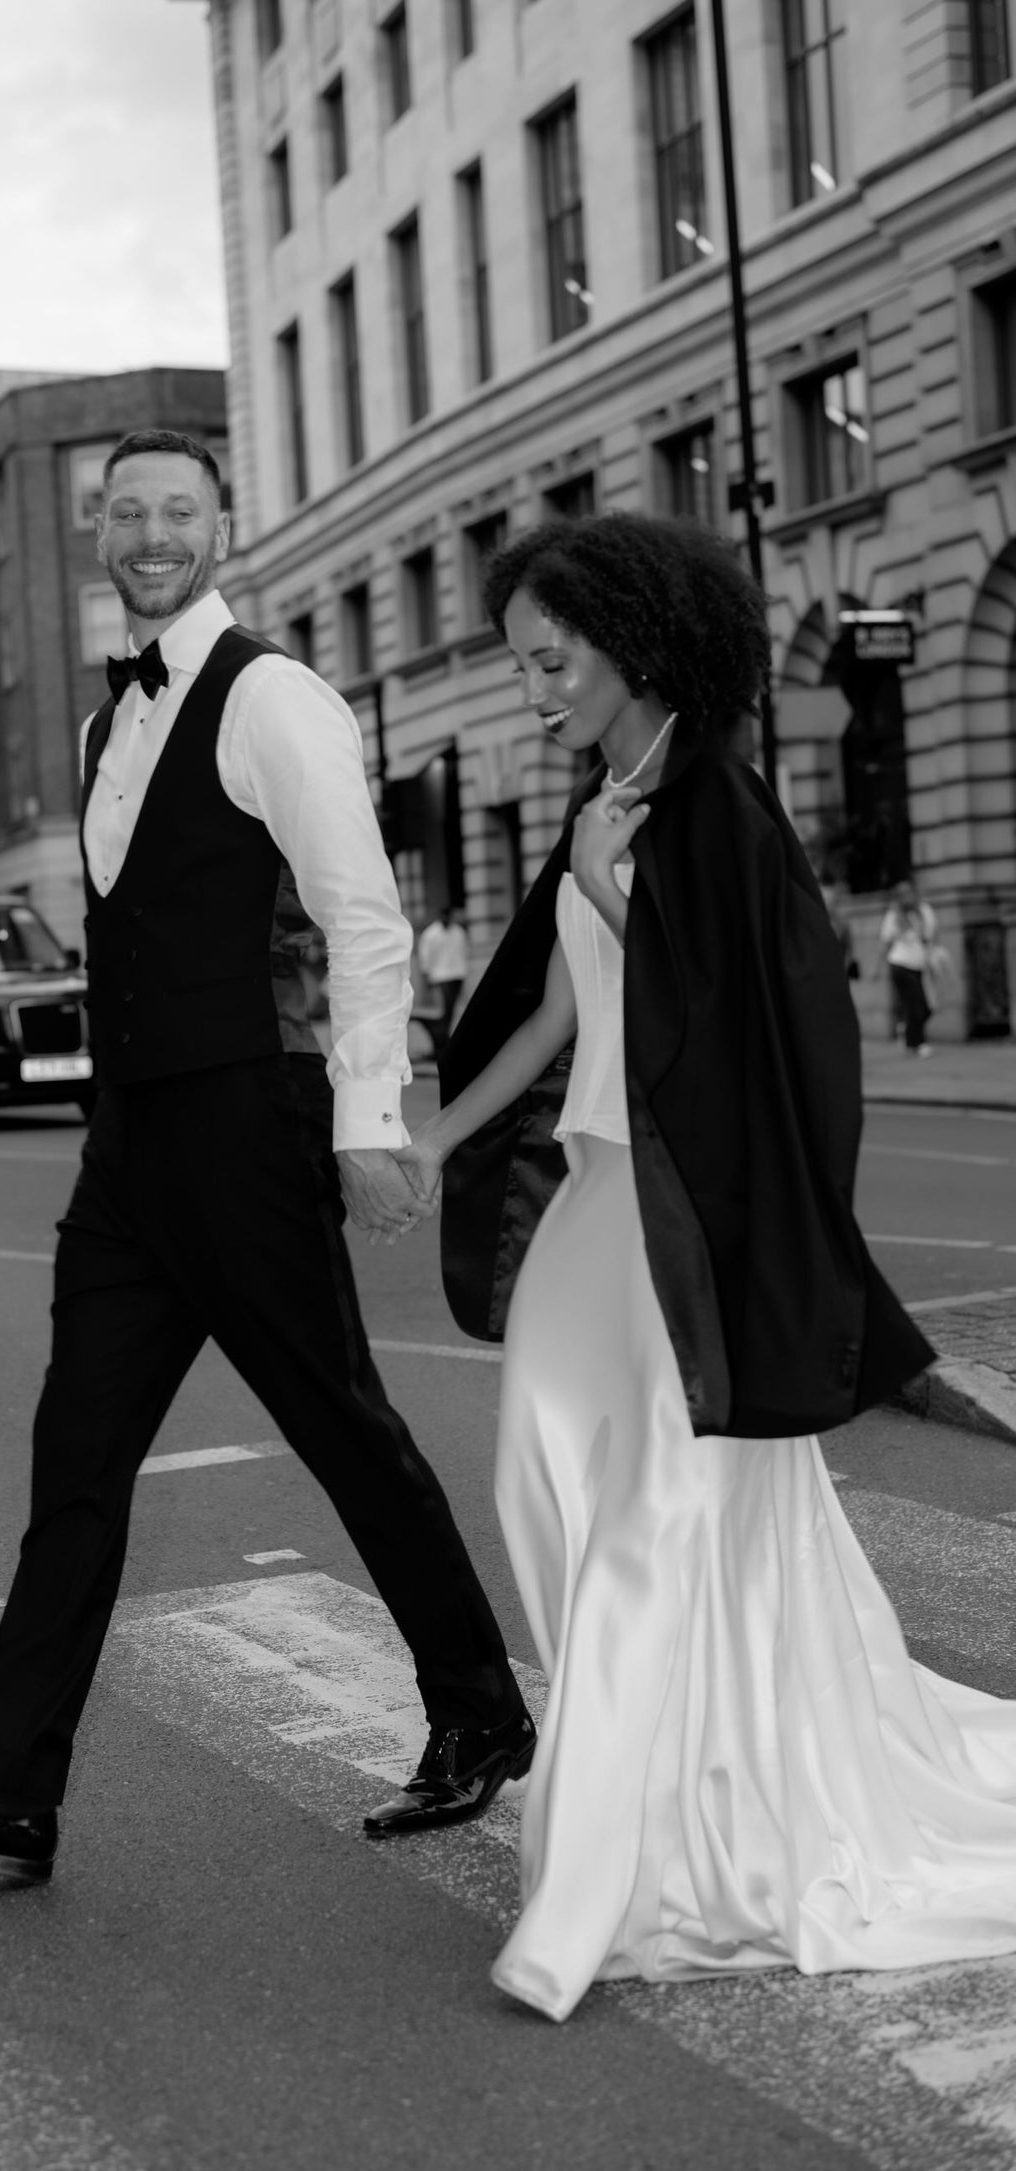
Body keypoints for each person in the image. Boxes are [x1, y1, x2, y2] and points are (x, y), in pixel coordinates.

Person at [0, 430, 533, 1879]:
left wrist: (362, 1125)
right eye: (127, 510)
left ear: (222, 523)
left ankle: (478, 1713)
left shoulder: (274, 695)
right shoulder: (104, 729)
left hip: (245, 1132)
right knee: (72, 1457)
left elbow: (364, 922)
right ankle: (3, 1782)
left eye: (177, 509)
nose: (150, 531)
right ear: (101, 530)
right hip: (130, 1145)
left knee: (344, 1428)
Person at [395, 512, 1016, 2022]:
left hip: (688, 1227)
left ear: (633, 646)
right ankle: (651, 1778)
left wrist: (622, 896)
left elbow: (770, 1020)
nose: (532, 689)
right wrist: (430, 1138)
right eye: (522, 664)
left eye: (551, 661)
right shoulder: (603, 793)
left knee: (655, 1525)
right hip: (596, 1209)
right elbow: (551, 1010)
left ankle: (610, 1868)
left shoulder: (718, 806)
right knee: (539, 1480)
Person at [880, 879, 941, 1054]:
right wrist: (877, 969)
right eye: (903, 894)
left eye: (909, 893)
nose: (907, 897)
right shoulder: (893, 916)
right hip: (899, 964)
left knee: (926, 1006)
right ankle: (919, 1043)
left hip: (920, 964)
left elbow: (932, 937)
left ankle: (907, 1034)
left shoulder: (924, 912)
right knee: (916, 1003)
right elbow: (885, 942)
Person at [416, 904, 470, 1052]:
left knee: (451, 1009)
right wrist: (427, 977)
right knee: (443, 1010)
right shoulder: (431, 934)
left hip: (457, 974)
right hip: (440, 976)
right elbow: (425, 957)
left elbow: (463, 952)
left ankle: (444, 1039)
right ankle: (442, 1041)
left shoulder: (458, 932)